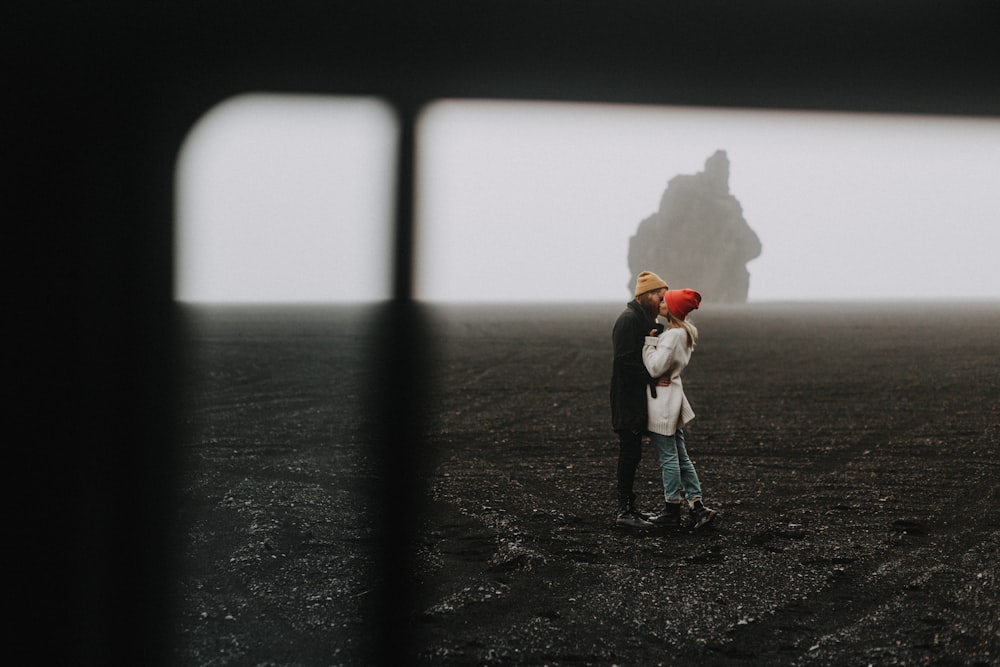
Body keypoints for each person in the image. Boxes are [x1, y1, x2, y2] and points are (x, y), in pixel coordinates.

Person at [642, 288, 718, 529]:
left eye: (665, 301)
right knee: (681, 457)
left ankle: (671, 509)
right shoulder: (684, 332)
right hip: (674, 399)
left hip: (663, 403)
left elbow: (655, 368)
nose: (661, 303)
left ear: (673, 308)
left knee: (669, 458)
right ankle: (697, 506)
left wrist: (649, 342)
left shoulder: (672, 336)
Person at [610, 271, 668, 529]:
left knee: (633, 454)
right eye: (658, 295)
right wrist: (652, 378)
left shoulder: (641, 319)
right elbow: (624, 361)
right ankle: (624, 510)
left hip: (637, 398)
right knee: (629, 453)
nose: (661, 300)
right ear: (644, 295)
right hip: (627, 399)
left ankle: (631, 508)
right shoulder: (628, 320)